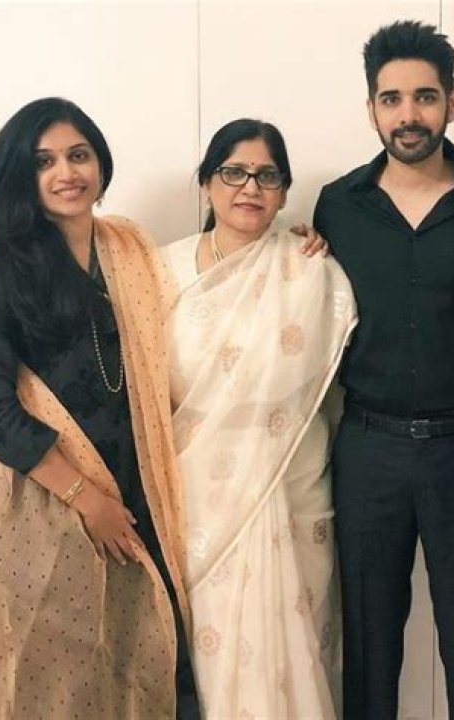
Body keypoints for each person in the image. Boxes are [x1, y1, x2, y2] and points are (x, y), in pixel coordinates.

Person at [313, 20, 454, 719]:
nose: (408, 114)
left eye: (424, 97)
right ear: (371, 108)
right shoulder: (339, 205)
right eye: (392, 99)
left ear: (452, 102)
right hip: (367, 447)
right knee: (369, 640)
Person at [0, 97, 200, 719]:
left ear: (100, 161)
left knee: (151, 663)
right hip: (50, 504)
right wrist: (85, 498)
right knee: (63, 683)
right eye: (44, 161)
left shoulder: (127, 248)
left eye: (78, 155)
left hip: (143, 490)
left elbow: (205, 287)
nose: (66, 172)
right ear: (19, 175)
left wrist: (294, 244)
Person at [160, 118, 357, 719]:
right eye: (234, 172)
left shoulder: (310, 267)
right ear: (206, 183)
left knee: (295, 651)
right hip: (198, 499)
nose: (250, 187)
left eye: (267, 175)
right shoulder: (161, 271)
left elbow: (334, 387)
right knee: (209, 658)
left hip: (292, 489)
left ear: (284, 189)